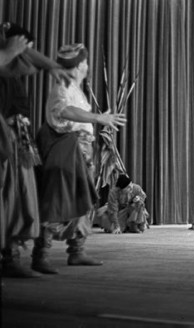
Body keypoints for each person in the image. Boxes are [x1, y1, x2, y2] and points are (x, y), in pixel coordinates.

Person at [31, 43, 127, 274]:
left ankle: (77, 251)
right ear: (76, 66)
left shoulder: (75, 88)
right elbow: (63, 111)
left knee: (83, 200)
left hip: (80, 150)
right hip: (66, 151)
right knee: (57, 199)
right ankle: (40, 254)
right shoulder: (62, 86)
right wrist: (98, 118)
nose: (87, 65)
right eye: (84, 62)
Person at [0, 23, 73, 278]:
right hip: (6, 141)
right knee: (9, 200)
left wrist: (51, 65)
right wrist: (12, 49)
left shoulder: (11, 68)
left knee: (21, 200)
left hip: (19, 140)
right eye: (23, 49)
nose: (27, 55)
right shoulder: (5, 62)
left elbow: (31, 60)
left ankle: (12, 256)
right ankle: (10, 257)